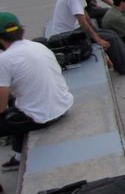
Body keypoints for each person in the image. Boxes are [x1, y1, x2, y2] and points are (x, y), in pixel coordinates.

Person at [0, 12, 74, 179]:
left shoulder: (4, 60)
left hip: (41, 117)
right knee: (18, 104)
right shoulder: (37, 46)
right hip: (62, 106)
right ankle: (19, 156)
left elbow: (0, 107)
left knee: (12, 111)